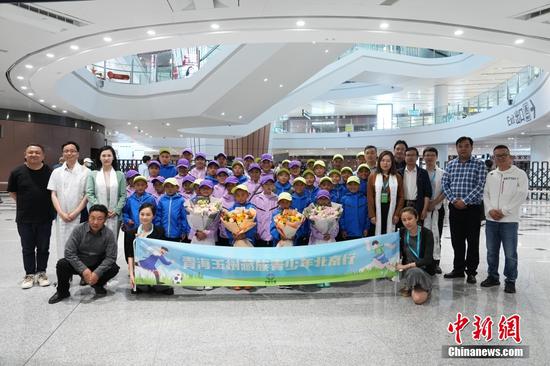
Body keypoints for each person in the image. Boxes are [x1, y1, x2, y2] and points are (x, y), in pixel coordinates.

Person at [48, 204, 120, 304]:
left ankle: (98, 284)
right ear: (88, 217)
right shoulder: (79, 229)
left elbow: (111, 257)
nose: (95, 222)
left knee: (113, 268)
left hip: (96, 263)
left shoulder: (109, 234)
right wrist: (84, 270)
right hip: (80, 264)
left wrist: (97, 272)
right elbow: (69, 252)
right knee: (62, 264)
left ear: (105, 220)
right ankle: (62, 292)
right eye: (92, 218)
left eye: (99, 219)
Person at [481, 145, 528, 294]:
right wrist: (490, 210)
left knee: (510, 253)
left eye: (503, 155)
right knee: (491, 252)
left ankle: (510, 280)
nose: (500, 158)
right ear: (493, 158)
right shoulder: (491, 175)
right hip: (491, 221)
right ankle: (493, 277)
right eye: (497, 156)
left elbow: (521, 195)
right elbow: (485, 194)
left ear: (510, 156)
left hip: (509, 221)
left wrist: (504, 211)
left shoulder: (519, 174)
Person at [8, 144, 55, 289]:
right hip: (24, 218)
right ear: (25, 154)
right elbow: (13, 192)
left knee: (43, 247)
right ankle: (29, 274)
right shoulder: (17, 172)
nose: (33, 154)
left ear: (43, 156)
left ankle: (41, 273)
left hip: (45, 217)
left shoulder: (50, 171)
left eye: (37, 152)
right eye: (30, 152)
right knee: (27, 248)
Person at [442, 136, 486, 284]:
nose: (463, 148)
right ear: (457, 148)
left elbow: (481, 185)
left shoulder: (479, 164)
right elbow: (445, 184)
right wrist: (454, 200)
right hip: (455, 208)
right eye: (460, 146)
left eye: (466, 146)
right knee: (457, 241)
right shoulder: (451, 165)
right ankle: (458, 269)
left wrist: (465, 201)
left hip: (472, 209)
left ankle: (472, 272)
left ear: (471, 147)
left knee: (473, 241)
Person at [48, 141, 89, 261]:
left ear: (78, 154)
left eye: (72, 151)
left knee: (80, 244)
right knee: (62, 244)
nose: (69, 153)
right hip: (61, 215)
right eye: (66, 151)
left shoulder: (86, 172)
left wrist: (75, 212)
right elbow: (53, 194)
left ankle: (82, 274)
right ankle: (65, 276)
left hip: (80, 214)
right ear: (62, 154)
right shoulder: (56, 172)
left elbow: (87, 195)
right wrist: (61, 213)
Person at [125, 203, 173, 295]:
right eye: (142, 214)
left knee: (161, 288)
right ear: (138, 215)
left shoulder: (159, 231)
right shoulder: (131, 233)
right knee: (142, 288)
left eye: (148, 214)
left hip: (154, 264)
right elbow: (130, 255)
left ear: (153, 216)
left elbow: (163, 252)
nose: (144, 217)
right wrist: (131, 275)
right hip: (140, 264)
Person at [85, 145, 126, 242]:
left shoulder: (120, 175)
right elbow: (89, 193)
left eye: (109, 155)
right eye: (103, 155)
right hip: (97, 214)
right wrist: (101, 210)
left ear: (113, 157)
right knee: (96, 241)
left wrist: (116, 210)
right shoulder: (93, 174)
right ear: (99, 157)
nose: (106, 158)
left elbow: (123, 195)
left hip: (115, 215)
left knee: (112, 242)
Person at [397, 207, 435, 305]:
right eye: (404, 220)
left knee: (418, 299)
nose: (407, 222)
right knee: (417, 298)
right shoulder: (401, 232)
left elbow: (428, 260)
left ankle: (414, 285)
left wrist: (406, 266)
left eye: (410, 219)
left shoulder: (427, 233)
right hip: (408, 271)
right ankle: (413, 285)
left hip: (424, 270)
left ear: (416, 218)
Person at [367, 151, 404, 236]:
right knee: (378, 232)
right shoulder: (372, 176)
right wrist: (372, 214)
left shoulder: (397, 177)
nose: (385, 163)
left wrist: (397, 214)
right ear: (379, 162)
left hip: (391, 208)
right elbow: (370, 197)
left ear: (392, 162)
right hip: (377, 209)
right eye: (383, 160)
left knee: (390, 231)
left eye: (388, 161)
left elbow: (401, 197)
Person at [422, 147, 445, 274]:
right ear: (423, 157)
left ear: (436, 157)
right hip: (423, 210)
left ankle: (436, 263)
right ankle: (425, 262)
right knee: (424, 236)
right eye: (427, 155)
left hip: (437, 209)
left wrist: (434, 203)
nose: (429, 157)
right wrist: (426, 206)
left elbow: (445, 190)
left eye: (432, 155)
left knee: (437, 235)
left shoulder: (442, 173)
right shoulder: (420, 172)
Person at [122, 175, 157, 257]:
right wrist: (127, 220)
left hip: (147, 230)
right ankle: (131, 266)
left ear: (146, 186)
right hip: (133, 229)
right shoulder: (130, 199)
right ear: (134, 186)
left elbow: (155, 213)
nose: (140, 187)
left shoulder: (151, 199)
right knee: (131, 249)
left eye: (142, 185)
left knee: (146, 251)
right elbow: (125, 213)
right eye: (137, 185)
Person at [398, 147, 431, 222]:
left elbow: (427, 193)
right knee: (403, 229)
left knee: (417, 228)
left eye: (413, 155)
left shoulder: (423, 173)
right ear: (404, 157)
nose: (410, 157)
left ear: (417, 157)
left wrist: (425, 209)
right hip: (402, 205)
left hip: (418, 205)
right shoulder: (399, 173)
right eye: (408, 155)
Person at [155, 178, 189, 242]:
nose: (169, 189)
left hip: (176, 234)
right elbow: (158, 216)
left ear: (177, 188)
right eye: (167, 187)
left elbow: (184, 217)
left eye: (172, 186)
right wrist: (158, 229)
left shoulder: (181, 200)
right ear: (164, 188)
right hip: (163, 233)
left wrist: (183, 231)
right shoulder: (162, 200)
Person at [251, 175, 279, 247]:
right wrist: (255, 231)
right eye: (266, 184)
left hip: (273, 237)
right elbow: (252, 218)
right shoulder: (256, 199)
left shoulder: (277, 199)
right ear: (262, 186)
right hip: (259, 236)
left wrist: (276, 234)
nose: (269, 186)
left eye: (271, 184)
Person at [290, 177, 311, 246]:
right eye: (297, 185)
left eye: (301, 185)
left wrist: (309, 231)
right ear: (293, 186)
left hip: (305, 231)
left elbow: (310, 217)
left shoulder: (308, 200)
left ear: (305, 186)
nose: (299, 187)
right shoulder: (290, 199)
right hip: (293, 232)